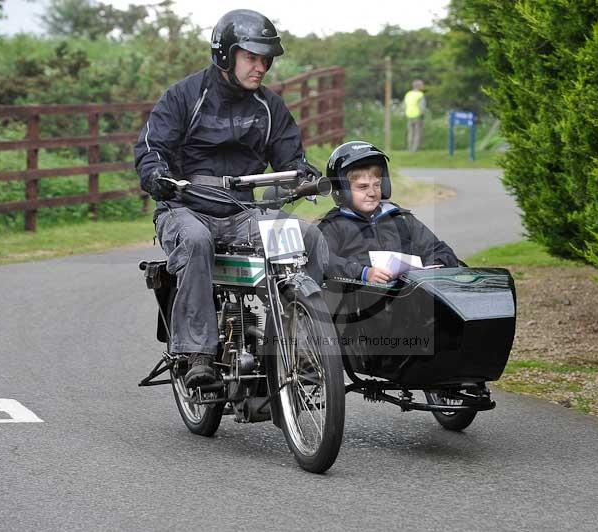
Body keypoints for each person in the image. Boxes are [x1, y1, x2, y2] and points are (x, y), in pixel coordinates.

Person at [134, 9, 328, 389]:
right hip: (185, 207)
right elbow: (151, 147)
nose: (261, 67)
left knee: (309, 238)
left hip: (242, 211)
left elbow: (290, 156)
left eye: (265, 59)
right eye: (251, 57)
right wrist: (156, 176)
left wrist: (305, 174)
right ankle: (198, 353)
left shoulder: (269, 107)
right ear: (226, 54)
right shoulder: (184, 96)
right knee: (196, 241)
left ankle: (301, 345)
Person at [318, 141, 459, 284]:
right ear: (342, 190)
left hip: (408, 295)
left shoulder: (400, 218)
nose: (372, 193)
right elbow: (321, 259)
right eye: (363, 187)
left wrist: (432, 269)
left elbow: (440, 250)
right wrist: (363, 273)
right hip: (360, 299)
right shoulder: (334, 225)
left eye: (377, 185)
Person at [403, 79, 426, 152]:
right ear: (418, 86)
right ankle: (415, 150)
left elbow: (404, 105)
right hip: (417, 116)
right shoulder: (420, 95)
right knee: (417, 134)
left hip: (409, 116)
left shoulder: (408, 94)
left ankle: (409, 148)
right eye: (422, 85)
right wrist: (422, 115)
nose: (423, 86)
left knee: (410, 133)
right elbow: (422, 107)